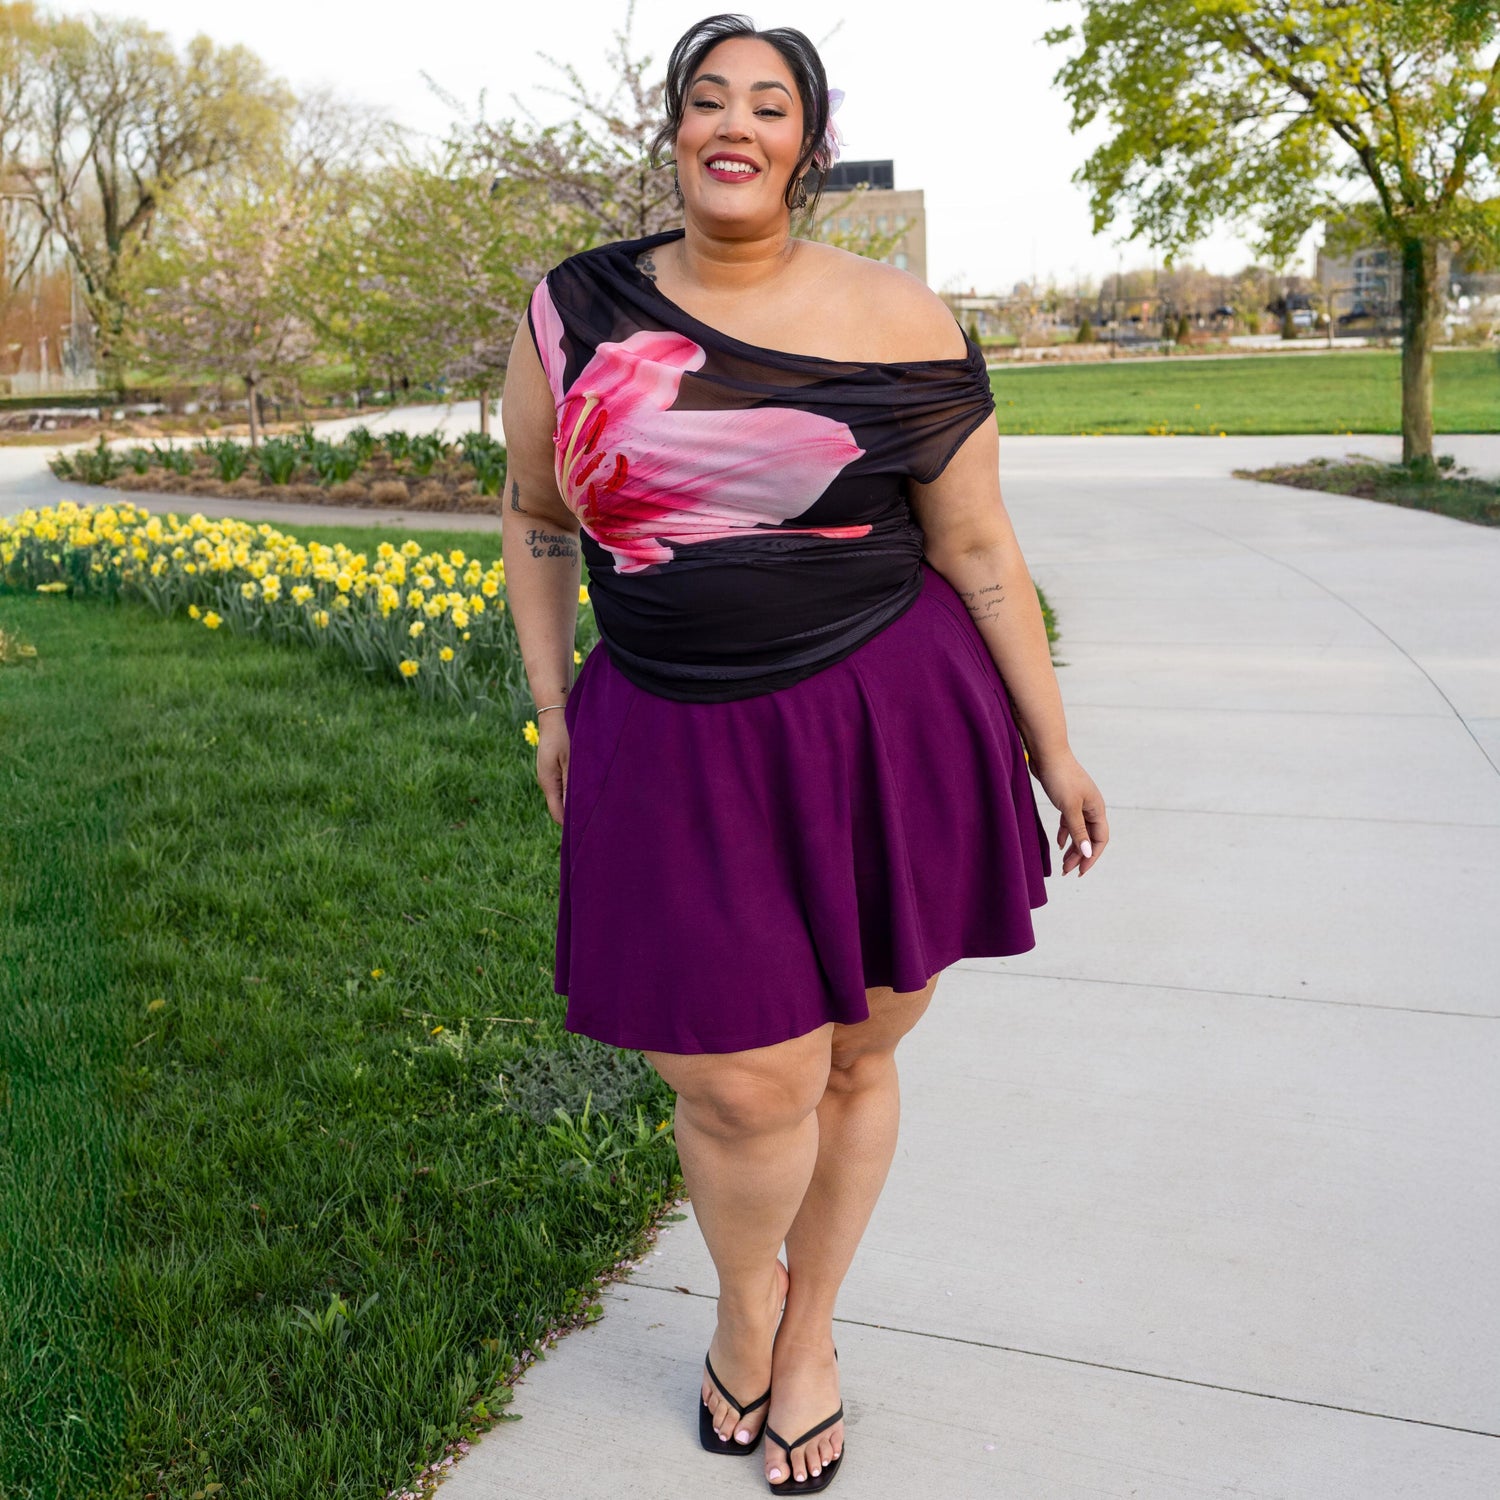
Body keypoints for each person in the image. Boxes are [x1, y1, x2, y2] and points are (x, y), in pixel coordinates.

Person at [500, 13, 1108, 1493]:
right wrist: (555, 706)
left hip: (884, 721)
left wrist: (1055, 745)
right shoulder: (572, 310)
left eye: (769, 104)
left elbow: (974, 547)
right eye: (709, 98)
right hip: (671, 729)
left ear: (807, 144)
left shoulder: (902, 316)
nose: (736, 124)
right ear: (674, 131)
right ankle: (742, 1300)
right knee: (735, 1086)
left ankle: (810, 1331)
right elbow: (534, 516)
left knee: (850, 1057)